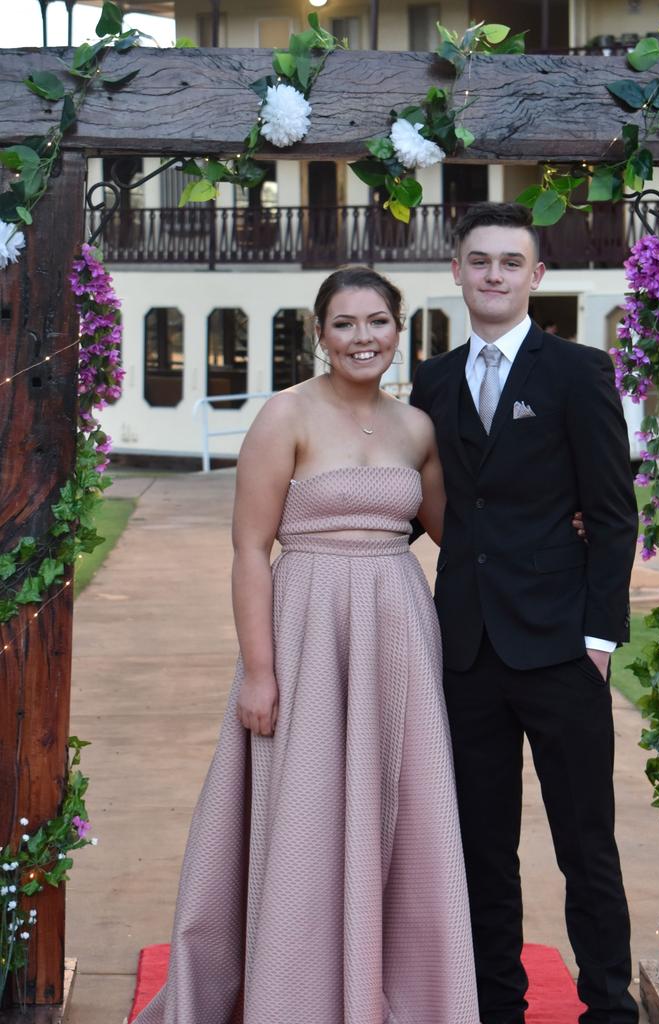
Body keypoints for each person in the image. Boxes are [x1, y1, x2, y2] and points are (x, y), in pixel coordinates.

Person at [132, 266, 482, 1024]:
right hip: (304, 628)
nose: (364, 338)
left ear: (401, 328)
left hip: (395, 626)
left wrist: (562, 524)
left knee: (405, 804)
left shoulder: (417, 426)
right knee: (302, 807)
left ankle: (401, 988)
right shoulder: (282, 415)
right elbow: (250, 550)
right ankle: (294, 991)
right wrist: (259, 671)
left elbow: (461, 537)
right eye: (346, 324)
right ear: (320, 333)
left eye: (378, 322)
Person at [410, 202, 639, 1024]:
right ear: (457, 272)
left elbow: (614, 513)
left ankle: (610, 1008)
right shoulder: (431, 381)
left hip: (561, 652)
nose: (495, 275)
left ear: (536, 277)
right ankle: (494, 1006)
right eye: (480, 261)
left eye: (511, 262)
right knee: (481, 851)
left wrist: (599, 638)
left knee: (587, 846)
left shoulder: (579, 373)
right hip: (465, 649)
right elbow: (418, 502)